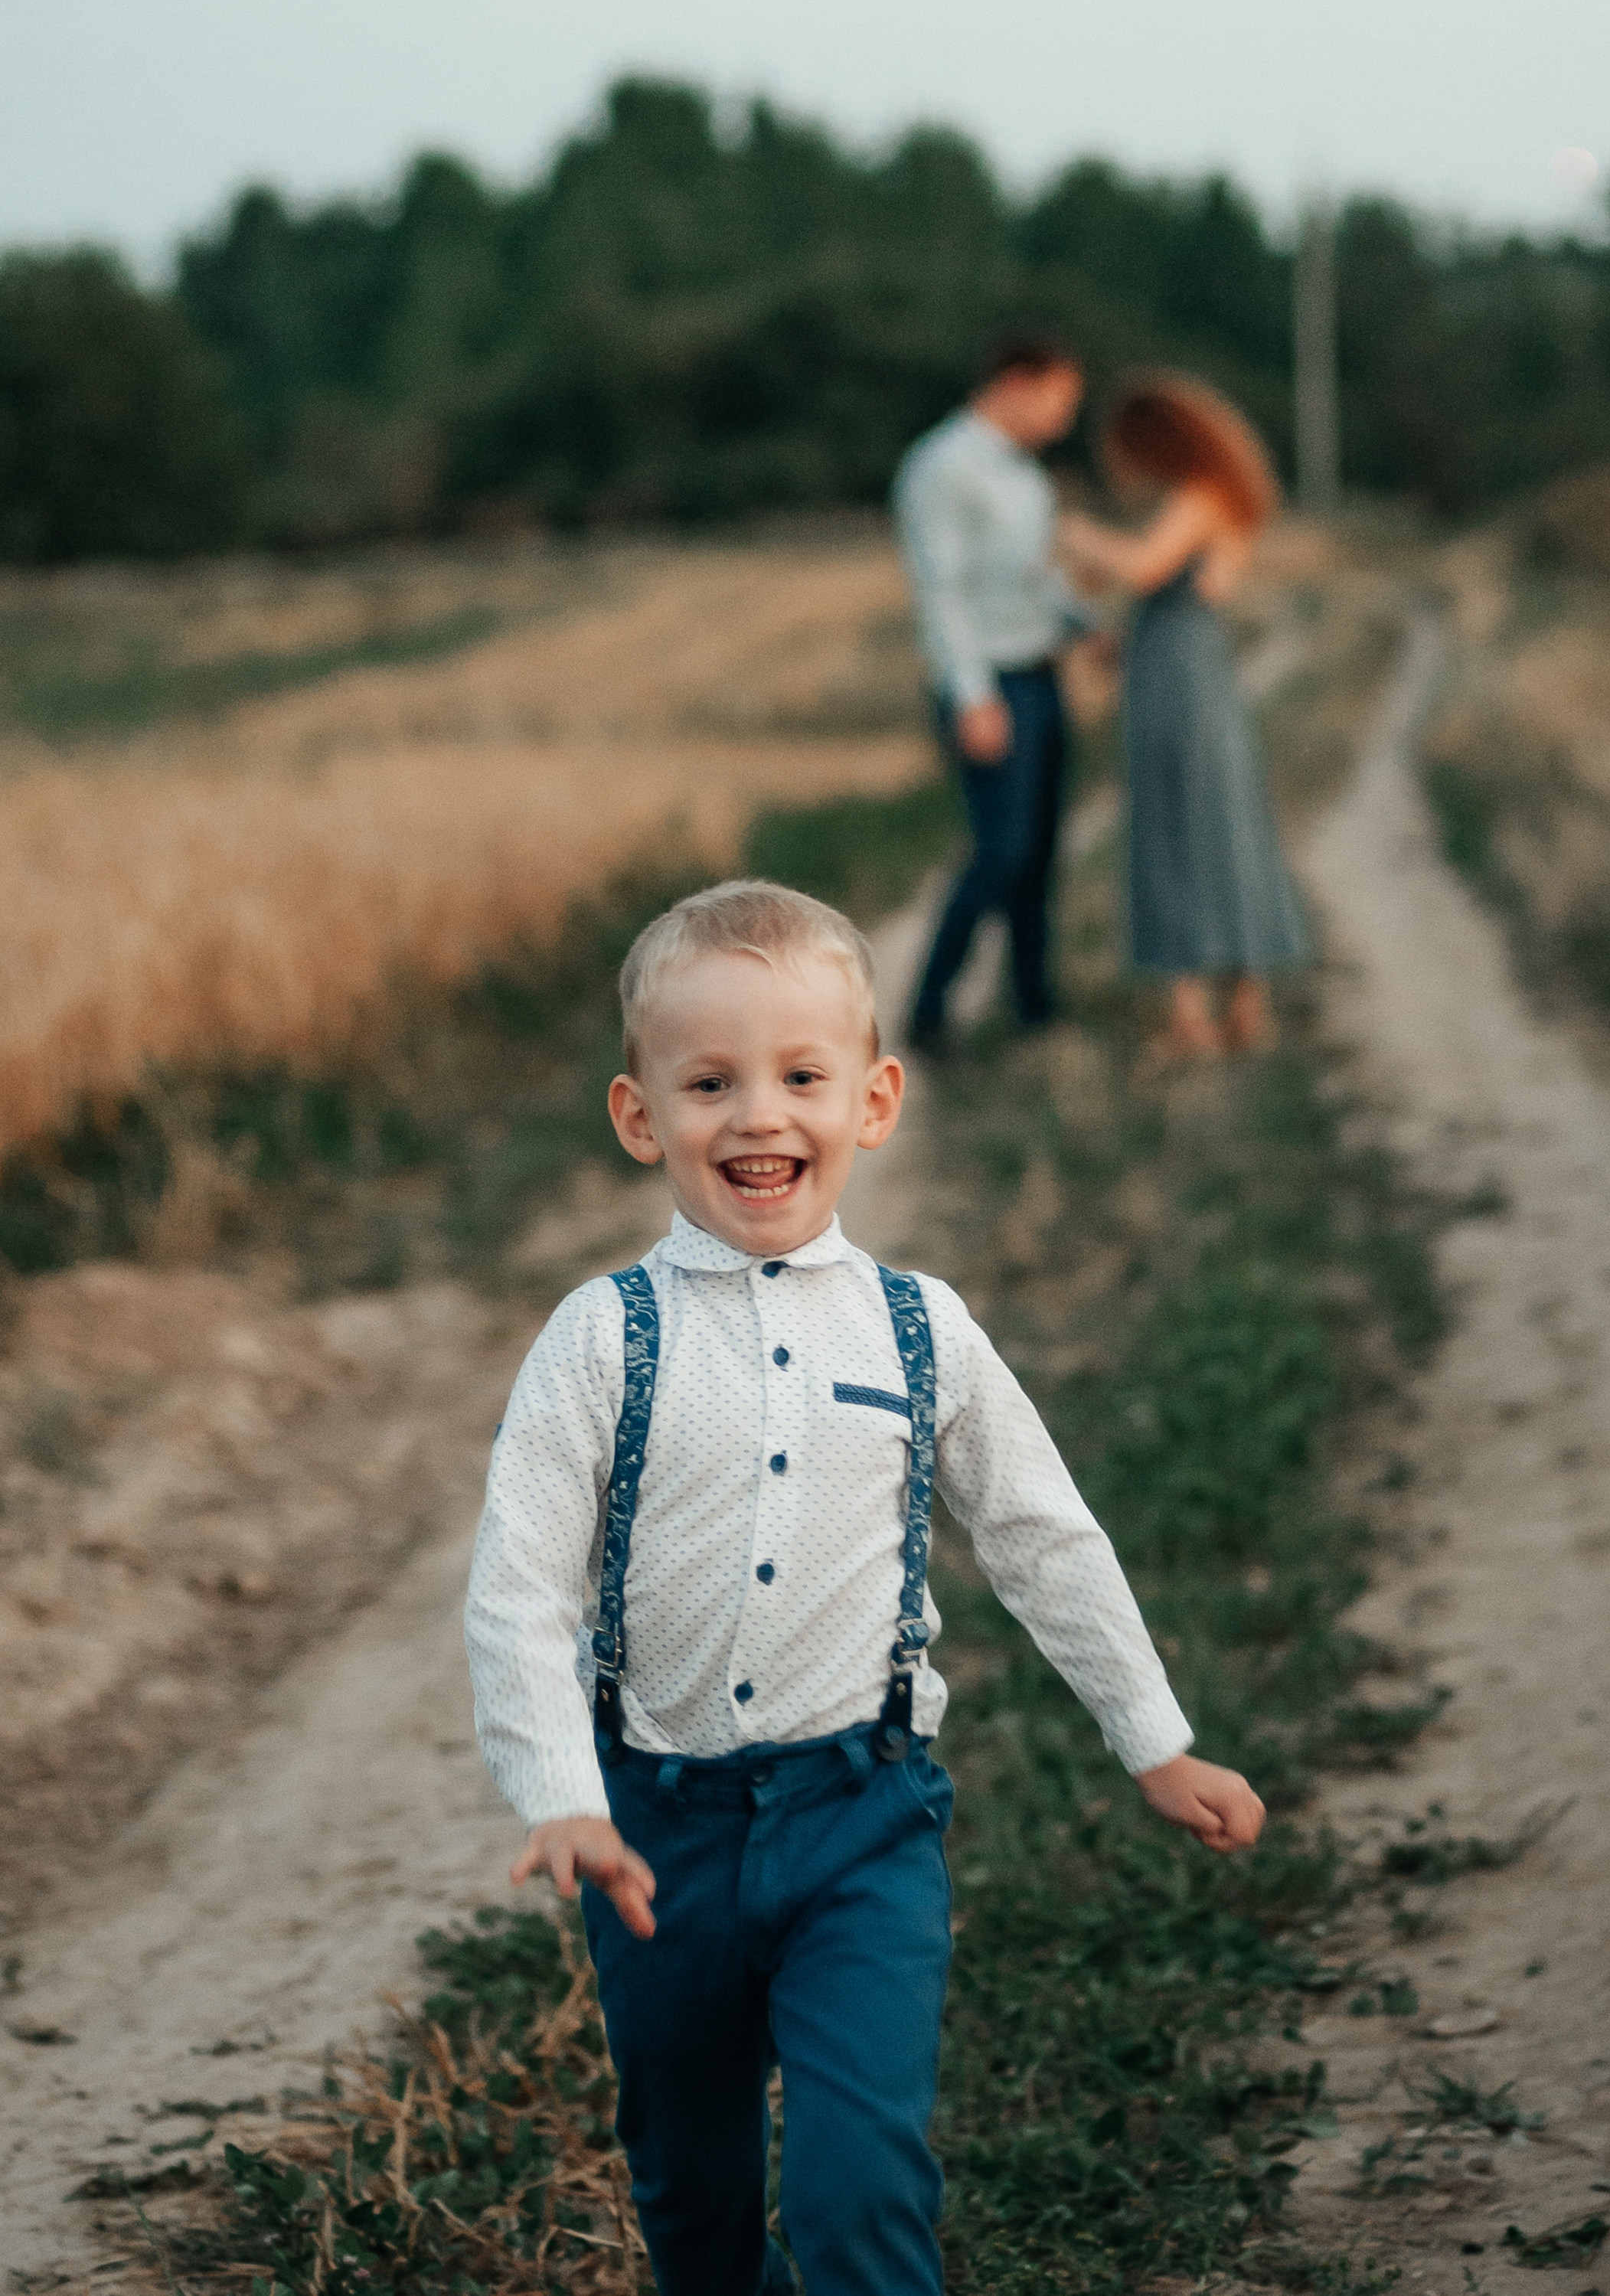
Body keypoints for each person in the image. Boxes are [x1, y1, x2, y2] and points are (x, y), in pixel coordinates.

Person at [465, 879, 1265, 2296]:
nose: (758, 1115)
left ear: (875, 1100)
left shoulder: (920, 1327)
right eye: (710, 1082)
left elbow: (1042, 1534)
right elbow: (519, 1582)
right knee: (695, 2205)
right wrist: (563, 1794)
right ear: (640, 1115)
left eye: (801, 1076)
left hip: (863, 1820)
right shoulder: (599, 1341)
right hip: (662, 1844)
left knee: (858, 2189)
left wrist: (1155, 1736)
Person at [1056, 374, 1309, 1060]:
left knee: (1173, 822)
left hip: (1179, 674)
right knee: (1223, 820)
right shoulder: (1219, 498)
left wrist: (1072, 533)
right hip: (1187, 665)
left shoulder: (1197, 497)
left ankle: (1191, 1015)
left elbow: (1142, 567)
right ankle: (1242, 999)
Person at [892, 335, 1092, 1054]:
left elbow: (1034, 576)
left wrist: (1086, 626)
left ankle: (1035, 1006)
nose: (1063, 420)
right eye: (1057, 401)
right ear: (1014, 381)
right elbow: (940, 593)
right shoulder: (942, 467)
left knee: (1039, 851)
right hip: (990, 683)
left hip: (1041, 675)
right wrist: (972, 696)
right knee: (999, 852)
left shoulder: (1025, 475)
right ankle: (928, 1013)